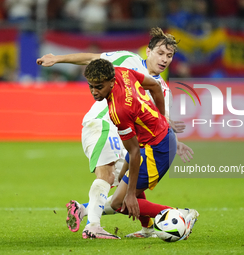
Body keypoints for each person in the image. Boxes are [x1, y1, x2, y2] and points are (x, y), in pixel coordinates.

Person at [36, 27, 194, 238]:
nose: (164, 59)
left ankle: (104, 216)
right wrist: (58, 59)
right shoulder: (128, 62)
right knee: (117, 182)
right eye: (160, 53)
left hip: (132, 139)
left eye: (169, 55)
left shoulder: (164, 91)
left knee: (126, 187)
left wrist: (173, 137)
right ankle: (92, 219)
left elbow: (159, 122)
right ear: (148, 51)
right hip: (109, 128)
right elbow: (92, 59)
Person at [83, 58, 198, 240]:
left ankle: (182, 214)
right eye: (91, 86)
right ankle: (148, 229)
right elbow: (155, 86)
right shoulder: (122, 72)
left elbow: (135, 152)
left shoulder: (118, 111)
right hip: (155, 140)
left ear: (111, 82)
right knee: (123, 177)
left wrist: (130, 195)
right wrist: (161, 120)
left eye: (99, 87)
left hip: (156, 150)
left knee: (119, 202)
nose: (94, 92)